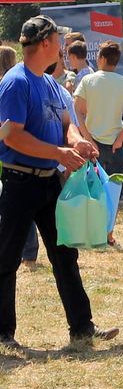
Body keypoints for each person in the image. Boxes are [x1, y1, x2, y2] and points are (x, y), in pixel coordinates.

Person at [0, 15, 118, 349]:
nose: (64, 47)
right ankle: (3, 333)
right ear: (46, 43)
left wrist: (76, 140)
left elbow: (67, 122)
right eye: (59, 40)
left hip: (49, 180)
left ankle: (82, 327)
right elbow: (13, 138)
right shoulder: (16, 82)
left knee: (65, 254)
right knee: (7, 258)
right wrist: (59, 152)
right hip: (21, 182)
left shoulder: (49, 82)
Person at [73, 41, 123, 247]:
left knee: (92, 189)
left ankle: (93, 233)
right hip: (116, 144)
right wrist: (121, 136)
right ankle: (109, 233)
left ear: (101, 58)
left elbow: (77, 110)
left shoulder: (87, 80)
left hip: (92, 143)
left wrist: (87, 137)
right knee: (113, 190)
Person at [0, 45, 41, 270]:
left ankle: (20, 255)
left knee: (15, 210)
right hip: (23, 156)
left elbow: (10, 128)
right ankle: (28, 254)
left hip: (10, 156)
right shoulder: (22, 81)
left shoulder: (9, 85)